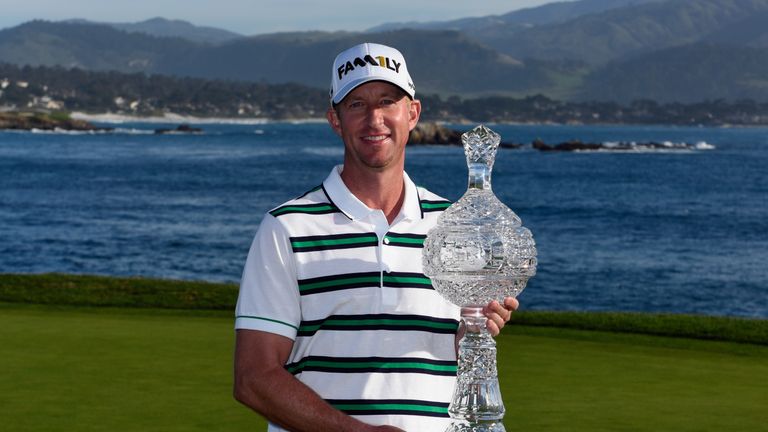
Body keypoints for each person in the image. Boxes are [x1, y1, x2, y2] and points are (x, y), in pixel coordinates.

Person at [233, 42, 519, 432]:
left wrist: (472, 332)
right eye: (356, 105)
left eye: (387, 101)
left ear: (412, 113)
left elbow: (452, 360)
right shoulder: (287, 227)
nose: (375, 119)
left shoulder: (457, 227)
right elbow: (253, 378)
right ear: (335, 119)